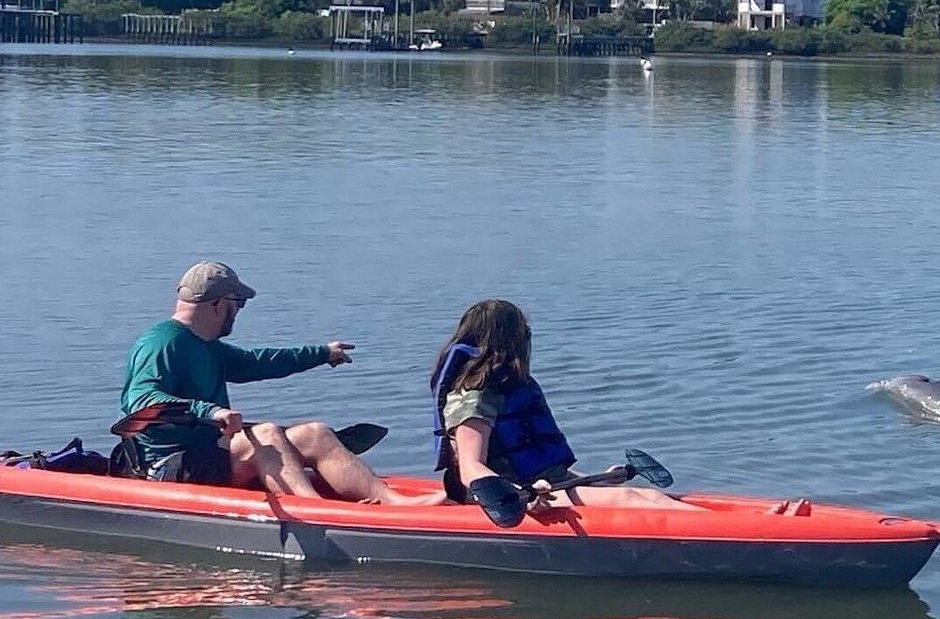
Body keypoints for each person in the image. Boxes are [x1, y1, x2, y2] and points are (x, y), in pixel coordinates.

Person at [122, 261, 441, 506]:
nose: (238, 313)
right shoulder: (161, 343)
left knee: (315, 434)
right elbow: (140, 400)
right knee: (267, 433)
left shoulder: (206, 346)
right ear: (218, 305)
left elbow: (258, 362)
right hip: (168, 465)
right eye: (238, 305)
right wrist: (210, 411)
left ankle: (393, 502)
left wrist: (322, 354)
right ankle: (315, 512)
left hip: (211, 453)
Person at [430, 298, 690, 511]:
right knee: (629, 501)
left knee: (649, 497)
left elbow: (545, 471)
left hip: (543, 486)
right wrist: (522, 496)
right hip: (503, 501)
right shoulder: (473, 397)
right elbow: (470, 469)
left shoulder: (509, 386)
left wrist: (594, 480)